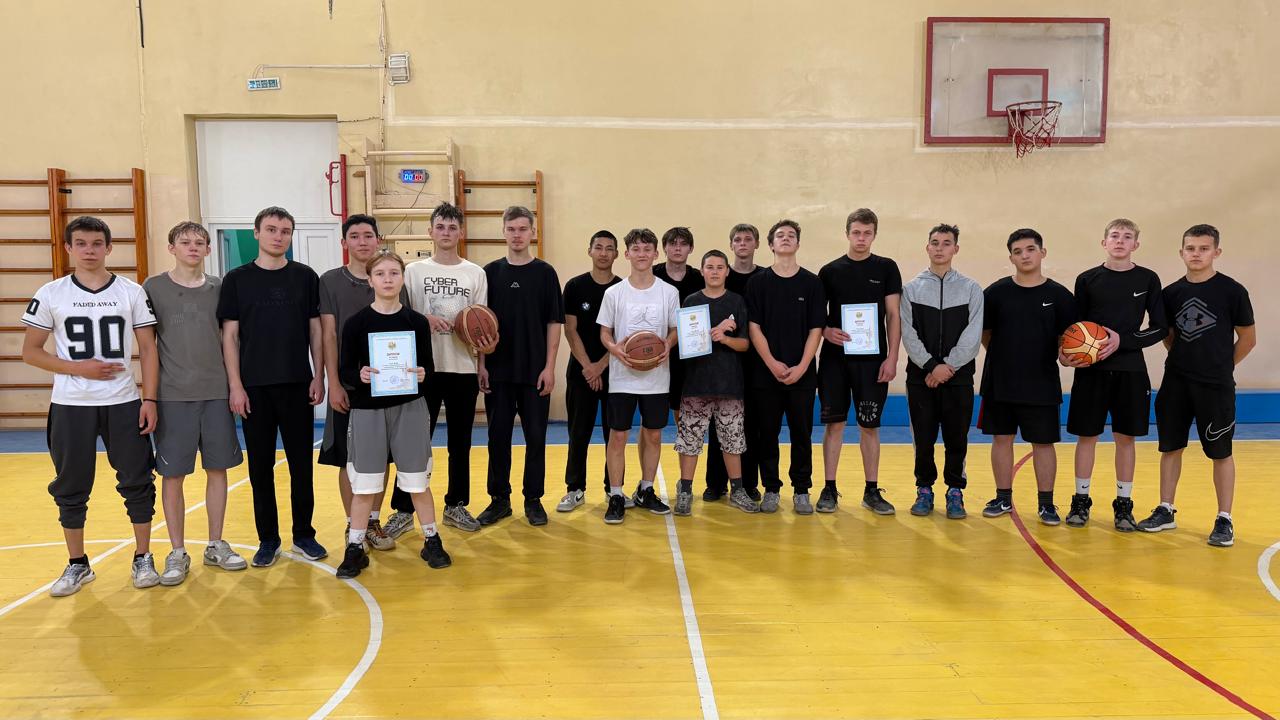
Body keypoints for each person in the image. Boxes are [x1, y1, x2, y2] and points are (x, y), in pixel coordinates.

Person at [21, 216, 160, 596]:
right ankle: (78, 563)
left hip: (123, 402)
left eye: (97, 243)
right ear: (68, 248)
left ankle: (143, 556)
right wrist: (77, 368)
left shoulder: (131, 292)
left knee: (137, 480)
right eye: (80, 243)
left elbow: (149, 349)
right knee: (71, 484)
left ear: (109, 247)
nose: (89, 250)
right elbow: (30, 352)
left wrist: (149, 398)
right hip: (71, 404)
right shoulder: (51, 293)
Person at [217, 206, 327, 566]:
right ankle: (268, 539)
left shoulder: (305, 277)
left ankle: (304, 535)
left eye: (285, 231)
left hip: (297, 385)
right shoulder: (237, 279)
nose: (278, 236)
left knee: (301, 467)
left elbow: (315, 330)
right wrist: (236, 385)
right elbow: (229, 337)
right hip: (254, 389)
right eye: (271, 229)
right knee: (260, 469)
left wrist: (319, 375)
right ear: (256, 233)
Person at [143, 221, 247, 585]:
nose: (192, 247)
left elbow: (230, 339)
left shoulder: (220, 287)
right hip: (173, 395)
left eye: (199, 242)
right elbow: (146, 346)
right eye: (185, 242)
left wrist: (235, 385)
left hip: (216, 393)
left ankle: (215, 543)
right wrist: (149, 396)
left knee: (217, 470)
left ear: (208, 249)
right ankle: (177, 551)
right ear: (171, 248)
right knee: (173, 475)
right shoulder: (153, 287)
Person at [1138, 224, 1255, 547]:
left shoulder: (1232, 291)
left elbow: (1248, 338)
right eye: (1190, 248)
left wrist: (1222, 366)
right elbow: (1168, 335)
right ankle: (1166, 509)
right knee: (1170, 447)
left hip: (1216, 386)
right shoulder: (1171, 294)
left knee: (1221, 452)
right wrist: (1184, 359)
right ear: (1181, 253)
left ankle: (1224, 518)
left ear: (1216, 252)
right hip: (1176, 383)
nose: (1196, 254)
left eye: (1204, 248)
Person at [336, 251, 450, 577]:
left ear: (402, 278)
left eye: (394, 273)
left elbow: (427, 367)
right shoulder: (356, 323)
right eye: (381, 274)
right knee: (365, 485)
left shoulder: (416, 322)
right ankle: (355, 547)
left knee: (417, 481)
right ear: (370, 280)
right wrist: (360, 375)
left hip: (409, 409)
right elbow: (346, 370)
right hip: (367, 411)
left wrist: (423, 374)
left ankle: (432, 540)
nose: (387, 279)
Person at [395, 202, 492, 534]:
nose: (446, 232)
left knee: (460, 443)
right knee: (414, 443)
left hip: (463, 367)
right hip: (422, 370)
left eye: (452, 227)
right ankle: (403, 509)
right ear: (430, 231)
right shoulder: (413, 271)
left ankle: (456, 505)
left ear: (461, 232)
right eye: (440, 227)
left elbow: (482, 326)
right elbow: (399, 314)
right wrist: (424, 318)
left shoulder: (475, 273)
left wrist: (482, 365)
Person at [1066, 219, 1167, 530]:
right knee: (1087, 437)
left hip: (1131, 370)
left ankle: (1124, 505)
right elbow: (1075, 327)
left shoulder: (1148, 278)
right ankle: (1081, 500)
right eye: (1114, 236)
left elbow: (1160, 328)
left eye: (1127, 236)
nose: (1120, 241)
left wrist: (1125, 340)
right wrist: (1069, 352)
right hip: (1091, 371)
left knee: (1126, 438)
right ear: (1104, 242)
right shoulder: (1087, 279)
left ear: (1136, 244)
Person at [979, 228, 1079, 525]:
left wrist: (1065, 355)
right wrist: (1004, 356)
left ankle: (1046, 504)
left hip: (1042, 382)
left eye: (1030, 249)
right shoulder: (995, 293)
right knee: (1001, 439)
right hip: (1000, 381)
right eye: (1018, 251)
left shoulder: (1060, 296)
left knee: (1044, 444)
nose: (1025, 255)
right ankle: (1002, 497)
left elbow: (1066, 337)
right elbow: (985, 333)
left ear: (1042, 253)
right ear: (1011, 257)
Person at [319, 214, 404, 551]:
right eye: (354, 236)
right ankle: (351, 523)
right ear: (344, 243)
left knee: (381, 458)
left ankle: (373, 523)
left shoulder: (390, 278)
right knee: (348, 459)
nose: (362, 241)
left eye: (368, 235)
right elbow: (328, 335)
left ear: (378, 239)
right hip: (349, 386)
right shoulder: (329, 281)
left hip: (386, 386)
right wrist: (335, 383)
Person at [477, 206, 564, 526]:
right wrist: (481, 364)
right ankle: (499, 499)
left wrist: (550, 367)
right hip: (498, 372)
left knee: (536, 438)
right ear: (503, 232)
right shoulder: (489, 273)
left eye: (523, 229)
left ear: (532, 232)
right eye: (511, 229)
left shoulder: (545, 273)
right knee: (497, 439)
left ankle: (533, 499)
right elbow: (479, 325)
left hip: (534, 372)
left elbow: (554, 323)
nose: (517, 235)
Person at [818, 208, 902, 515]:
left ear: (874, 235)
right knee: (834, 424)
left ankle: (871, 491)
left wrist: (892, 357)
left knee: (869, 426)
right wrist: (826, 331)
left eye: (867, 233)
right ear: (847, 234)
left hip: (873, 361)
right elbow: (817, 317)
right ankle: (829, 488)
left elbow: (893, 315)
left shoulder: (886, 268)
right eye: (856, 232)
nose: (861, 238)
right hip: (835, 360)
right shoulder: (830, 271)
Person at [899, 224, 983, 520]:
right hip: (921, 378)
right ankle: (924, 489)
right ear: (927, 247)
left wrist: (948, 367)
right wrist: (932, 366)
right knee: (923, 439)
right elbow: (908, 333)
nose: (940, 248)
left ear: (955, 249)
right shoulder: (911, 290)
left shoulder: (971, 289)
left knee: (956, 438)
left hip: (958, 378)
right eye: (935, 242)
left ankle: (955, 491)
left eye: (946, 243)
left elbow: (973, 336)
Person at [744, 220, 826, 514]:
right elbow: (754, 327)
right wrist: (771, 363)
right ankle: (771, 488)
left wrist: (803, 366)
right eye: (780, 235)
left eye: (792, 235)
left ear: (798, 244)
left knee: (801, 434)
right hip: (766, 375)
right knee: (767, 434)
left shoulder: (812, 283)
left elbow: (816, 329)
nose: (786, 238)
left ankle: (802, 489)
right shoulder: (758, 283)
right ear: (771, 245)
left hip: (802, 375)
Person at [598, 228, 679, 524]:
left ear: (656, 254)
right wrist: (614, 349)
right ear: (627, 254)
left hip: (657, 377)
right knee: (618, 436)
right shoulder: (614, 293)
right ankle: (616, 494)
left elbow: (674, 329)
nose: (642, 254)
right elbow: (605, 332)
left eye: (647, 249)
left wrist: (667, 345)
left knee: (654, 435)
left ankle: (646, 489)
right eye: (636, 249)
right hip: (622, 376)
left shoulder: (669, 292)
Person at [672, 250, 753, 515]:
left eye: (720, 267)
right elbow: (684, 342)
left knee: (732, 441)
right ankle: (685, 490)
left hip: (729, 386)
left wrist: (724, 338)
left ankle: (737, 491)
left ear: (727, 271)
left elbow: (745, 344)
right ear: (702, 271)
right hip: (696, 385)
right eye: (710, 267)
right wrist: (702, 337)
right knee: (689, 441)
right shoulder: (691, 301)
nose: (715, 271)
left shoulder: (737, 301)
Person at [558, 230, 621, 512]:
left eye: (609, 248)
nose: (604, 253)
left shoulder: (622, 289)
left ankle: (613, 489)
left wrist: (601, 366)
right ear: (590, 251)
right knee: (578, 433)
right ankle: (575, 489)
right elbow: (570, 331)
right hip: (580, 372)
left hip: (614, 371)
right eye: (599, 247)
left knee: (614, 434)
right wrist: (588, 367)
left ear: (616, 254)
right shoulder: (574, 286)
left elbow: (623, 334)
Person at [705, 223, 764, 502]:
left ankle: (748, 483)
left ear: (756, 244)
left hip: (753, 361)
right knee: (717, 424)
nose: (742, 243)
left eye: (748, 239)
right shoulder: (719, 278)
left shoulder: (764, 278)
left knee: (749, 425)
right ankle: (715, 483)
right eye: (737, 239)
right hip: (720, 363)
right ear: (731, 245)